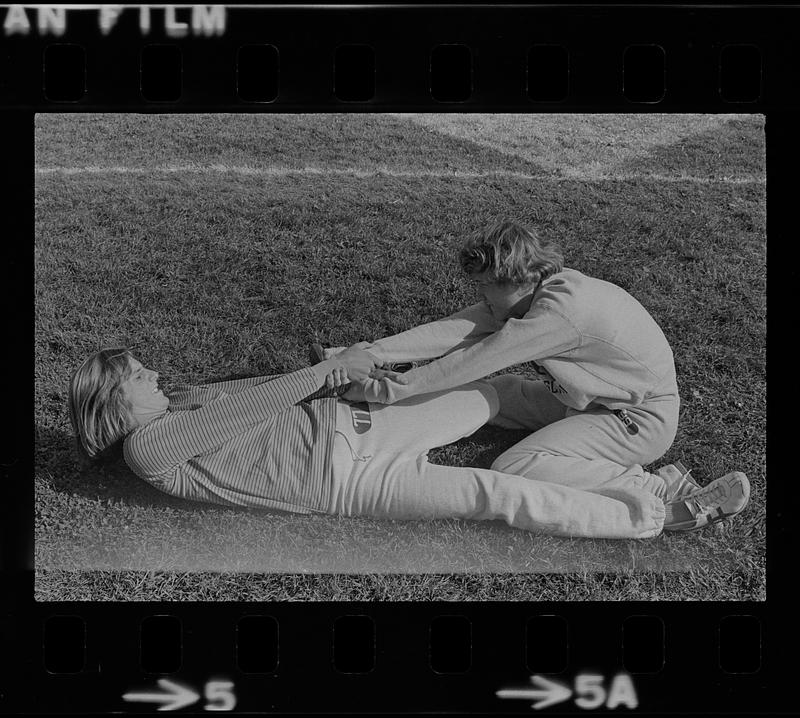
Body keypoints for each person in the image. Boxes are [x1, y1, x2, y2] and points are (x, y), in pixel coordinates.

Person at [319, 219, 750, 532]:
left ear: (516, 281)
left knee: (517, 465)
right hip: (593, 405)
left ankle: (663, 492)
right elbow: (458, 329)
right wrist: (367, 354)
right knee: (501, 393)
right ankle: (643, 478)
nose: (480, 296)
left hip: (636, 423)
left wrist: (383, 387)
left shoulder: (559, 315)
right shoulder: (537, 292)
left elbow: (472, 359)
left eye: (485, 287)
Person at [66, 346, 734, 541]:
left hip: (357, 426)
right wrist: (328, 372)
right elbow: (255, 405)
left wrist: (345, 373)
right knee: (492, 491)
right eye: (139, 376)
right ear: (114, 402)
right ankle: (658, 514)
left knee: (491, 392)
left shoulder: (181, 401)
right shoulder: (146, 451)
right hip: (348, 485)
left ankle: (638, 470)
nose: (155, 373)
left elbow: (260, 391)